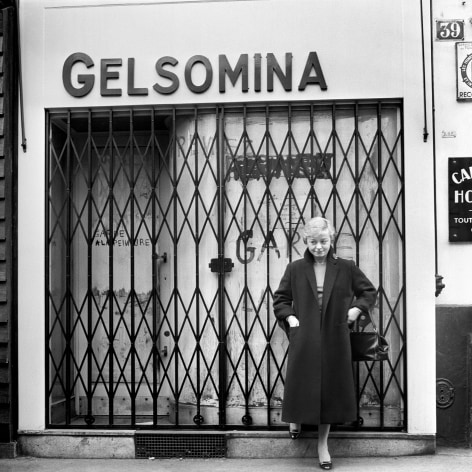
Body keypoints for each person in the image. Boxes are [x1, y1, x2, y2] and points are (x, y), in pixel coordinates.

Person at [273, 217, 377, 470]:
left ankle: (322, 444)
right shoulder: (295, 268)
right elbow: (281, 299)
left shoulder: (346, 267)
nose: (318, 247)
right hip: (305, 334)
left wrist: (355, 310)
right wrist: (291, 318)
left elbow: (368, 292)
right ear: (305, 241)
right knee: (302, 383)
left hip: (334, 335)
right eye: (313, 242)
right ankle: (295, 420)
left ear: (331, 241)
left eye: (323, 241)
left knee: (329, 390)